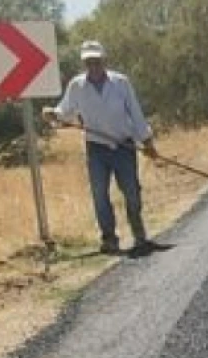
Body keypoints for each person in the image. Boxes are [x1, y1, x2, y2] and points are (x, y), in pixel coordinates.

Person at [43, 41, 158, 255]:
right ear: (84, 62)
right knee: (99, 194)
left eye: (96, 60)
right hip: (96, 148)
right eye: (88, 61)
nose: (93, 65)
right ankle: (109, 239)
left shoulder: (121, 83)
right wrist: (54, 114)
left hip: (124, 145)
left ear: (104, 60)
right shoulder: (77, 86)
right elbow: (65, 111)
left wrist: (147, 141)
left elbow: (136, 113)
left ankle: (139, 233)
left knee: (132, 192)